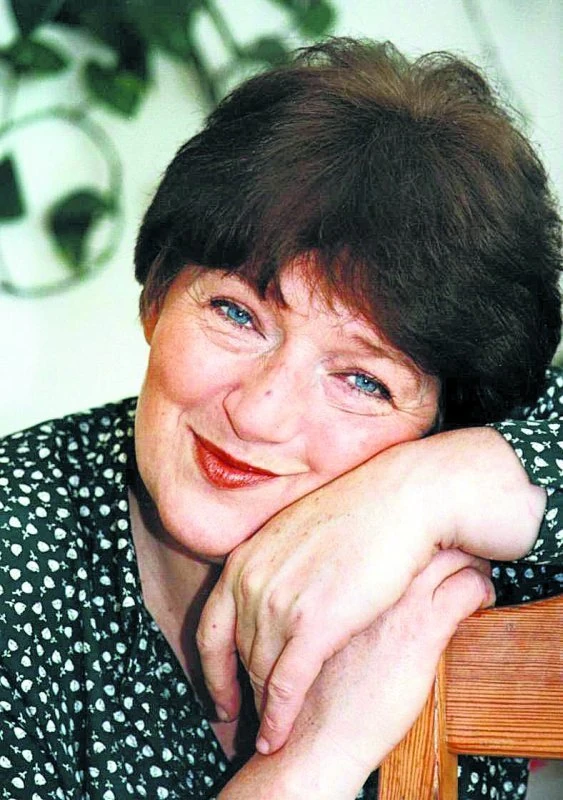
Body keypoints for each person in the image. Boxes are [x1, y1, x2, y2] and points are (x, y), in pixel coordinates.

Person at [0, 38, 561, 800]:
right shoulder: (18, 551)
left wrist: (428, 493)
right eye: (236, 313)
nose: (259, 413)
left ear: (444, 426)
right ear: (156, 296)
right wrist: (314, 762)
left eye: (362, 381)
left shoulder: (477, 517)